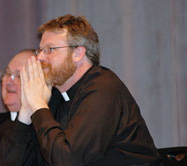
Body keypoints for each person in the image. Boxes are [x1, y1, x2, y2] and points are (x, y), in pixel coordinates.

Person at [16, 14, 162, 166]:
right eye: (39, 50)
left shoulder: (103, 89)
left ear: (78, 54)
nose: (40, 57)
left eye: (50, 50)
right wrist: (27, 110)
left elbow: (69, 160)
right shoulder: (55, 95)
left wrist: (39, 106)